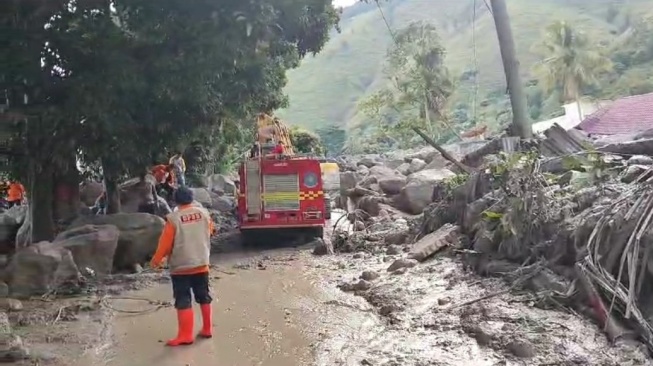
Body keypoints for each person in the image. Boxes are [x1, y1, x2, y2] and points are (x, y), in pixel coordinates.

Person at [150, 186, 215, 346]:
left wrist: (156, 261)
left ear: (175, 200)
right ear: (192, 199)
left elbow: (164, 244)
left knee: (183, 299)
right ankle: (207, 329)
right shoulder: (204, 214)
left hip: (181, 267)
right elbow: (211, 230)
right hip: (202, 264)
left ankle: (186, 335)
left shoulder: (173, 218)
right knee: (204, 296)